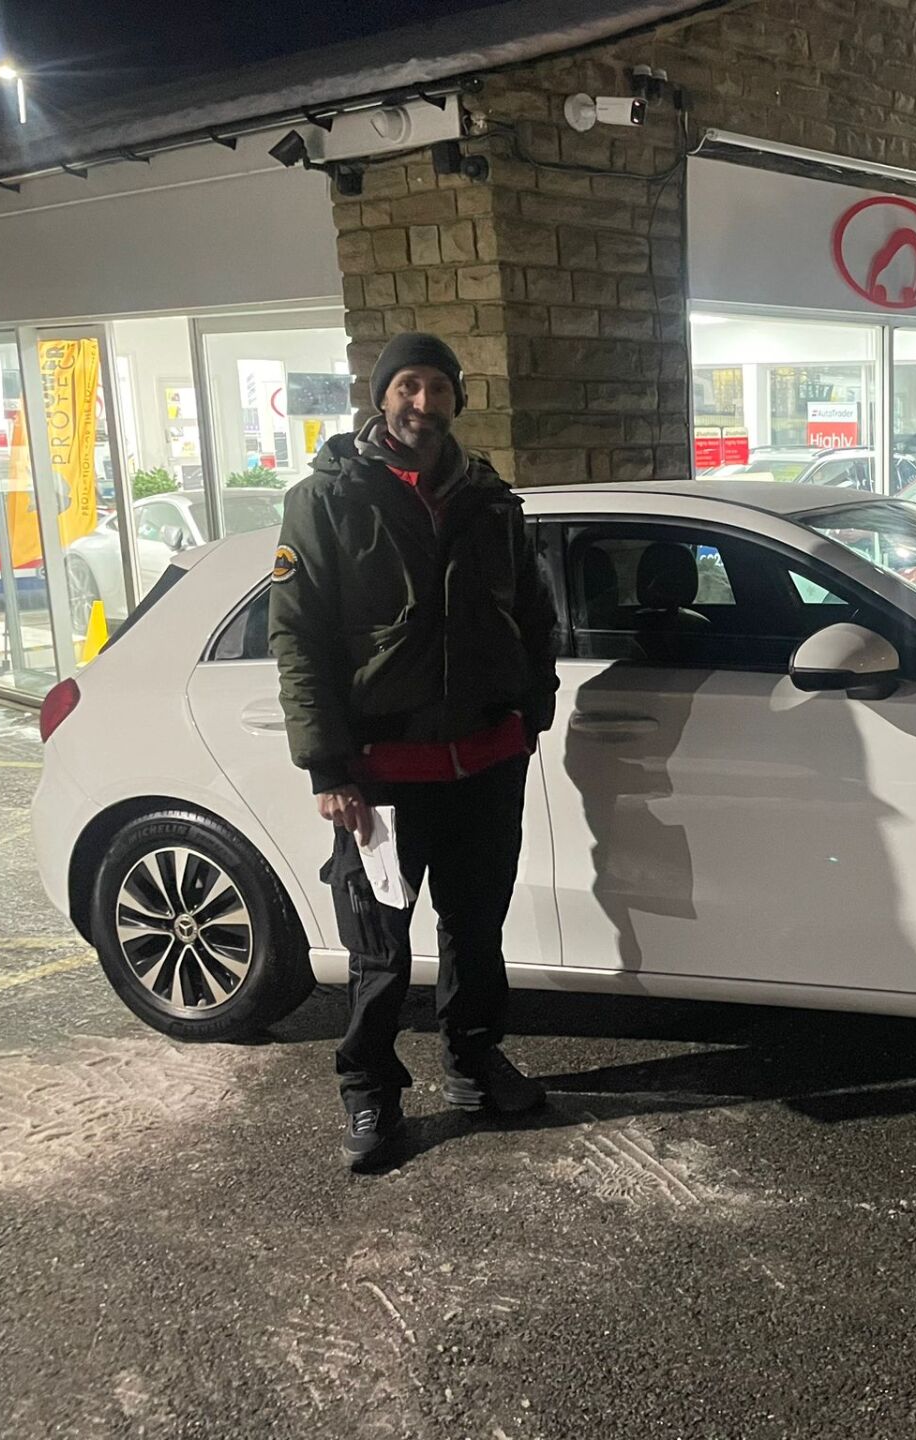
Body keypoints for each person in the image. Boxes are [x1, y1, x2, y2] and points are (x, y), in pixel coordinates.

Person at [268, 331, 560, 1172]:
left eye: (437, 389)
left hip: (484, 767)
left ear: (456, 401)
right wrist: (328, 767)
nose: (422, 405)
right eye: (408, 387)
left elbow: (534, 618)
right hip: (384, 778)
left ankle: (472, 1063)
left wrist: (530, 712)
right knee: (379, 954)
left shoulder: (490, 501)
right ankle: (369, 1090)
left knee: (477, 934)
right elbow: (299, 640)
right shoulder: (324, 501)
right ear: (380, 395)